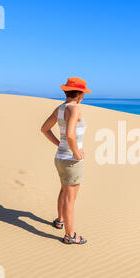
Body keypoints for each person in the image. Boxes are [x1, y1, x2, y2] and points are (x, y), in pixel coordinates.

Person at [41, 77, 91, 244]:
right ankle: (70, 236)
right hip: (70, 161)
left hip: (60, 158)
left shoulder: (60, 108)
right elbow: (70, 135)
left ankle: (59, 220)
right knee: (70, 199)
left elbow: (44, 129)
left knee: (64, 190)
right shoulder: (74, 109)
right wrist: (76, 153)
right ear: (80, 95)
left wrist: (59, 144)